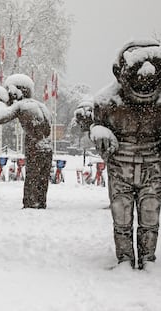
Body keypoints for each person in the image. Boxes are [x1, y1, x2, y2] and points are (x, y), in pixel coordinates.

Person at [75, 39, 161, 270]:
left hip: (152, 166)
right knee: (121, 216)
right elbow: (94, 126)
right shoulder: (107, 102)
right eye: (138, 71)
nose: (146, 76)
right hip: (120, 166)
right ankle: (124, 258)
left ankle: (148, 258)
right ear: (120, 72)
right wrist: (99, 132)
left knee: (150, 215)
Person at [0, 74, 52, 209]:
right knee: (42, 179)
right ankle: (40, 202)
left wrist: (1, 101)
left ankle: (30, 204)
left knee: (32, 176)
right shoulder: (42, 106)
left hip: (34, 145)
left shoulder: (21, 105)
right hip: (47, 147)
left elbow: (1, 118)